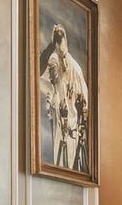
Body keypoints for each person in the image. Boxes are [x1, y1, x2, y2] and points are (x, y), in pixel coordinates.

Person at [39, 24, 90, 171]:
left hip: (73, 128)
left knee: (73, 161)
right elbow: (40, 72)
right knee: (60, 161)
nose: (53, 73)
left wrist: (82, 123)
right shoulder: (54, 61)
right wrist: (51, 46)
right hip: (60, 124)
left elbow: (85, 102)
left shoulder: (74, 69)